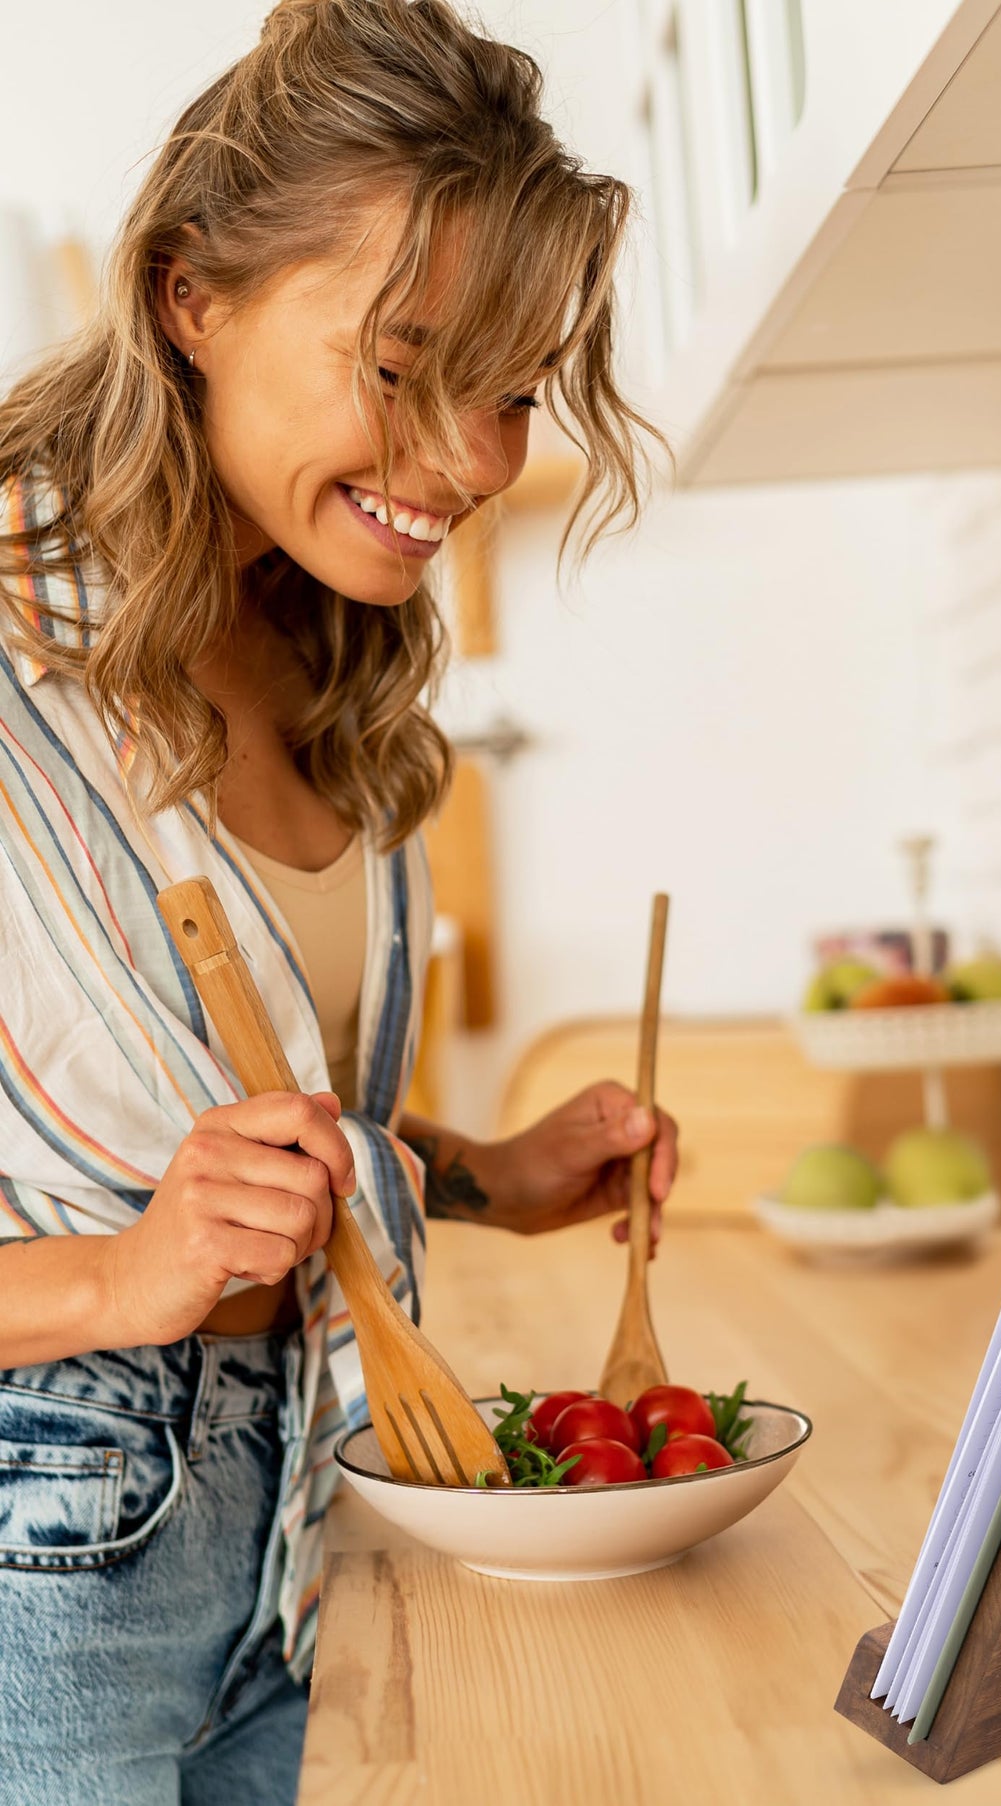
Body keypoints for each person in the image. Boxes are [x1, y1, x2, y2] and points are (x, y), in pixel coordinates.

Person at [0, 3, 676, 1800]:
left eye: (515, 388)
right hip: (41, 1564)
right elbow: (147, 1224)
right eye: (403, 365)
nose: (466, 459)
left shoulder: (329, 640)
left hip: (304, 1510)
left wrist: (492, 1176)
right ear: (188, 298)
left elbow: (237, 1125)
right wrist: (114, 1278)